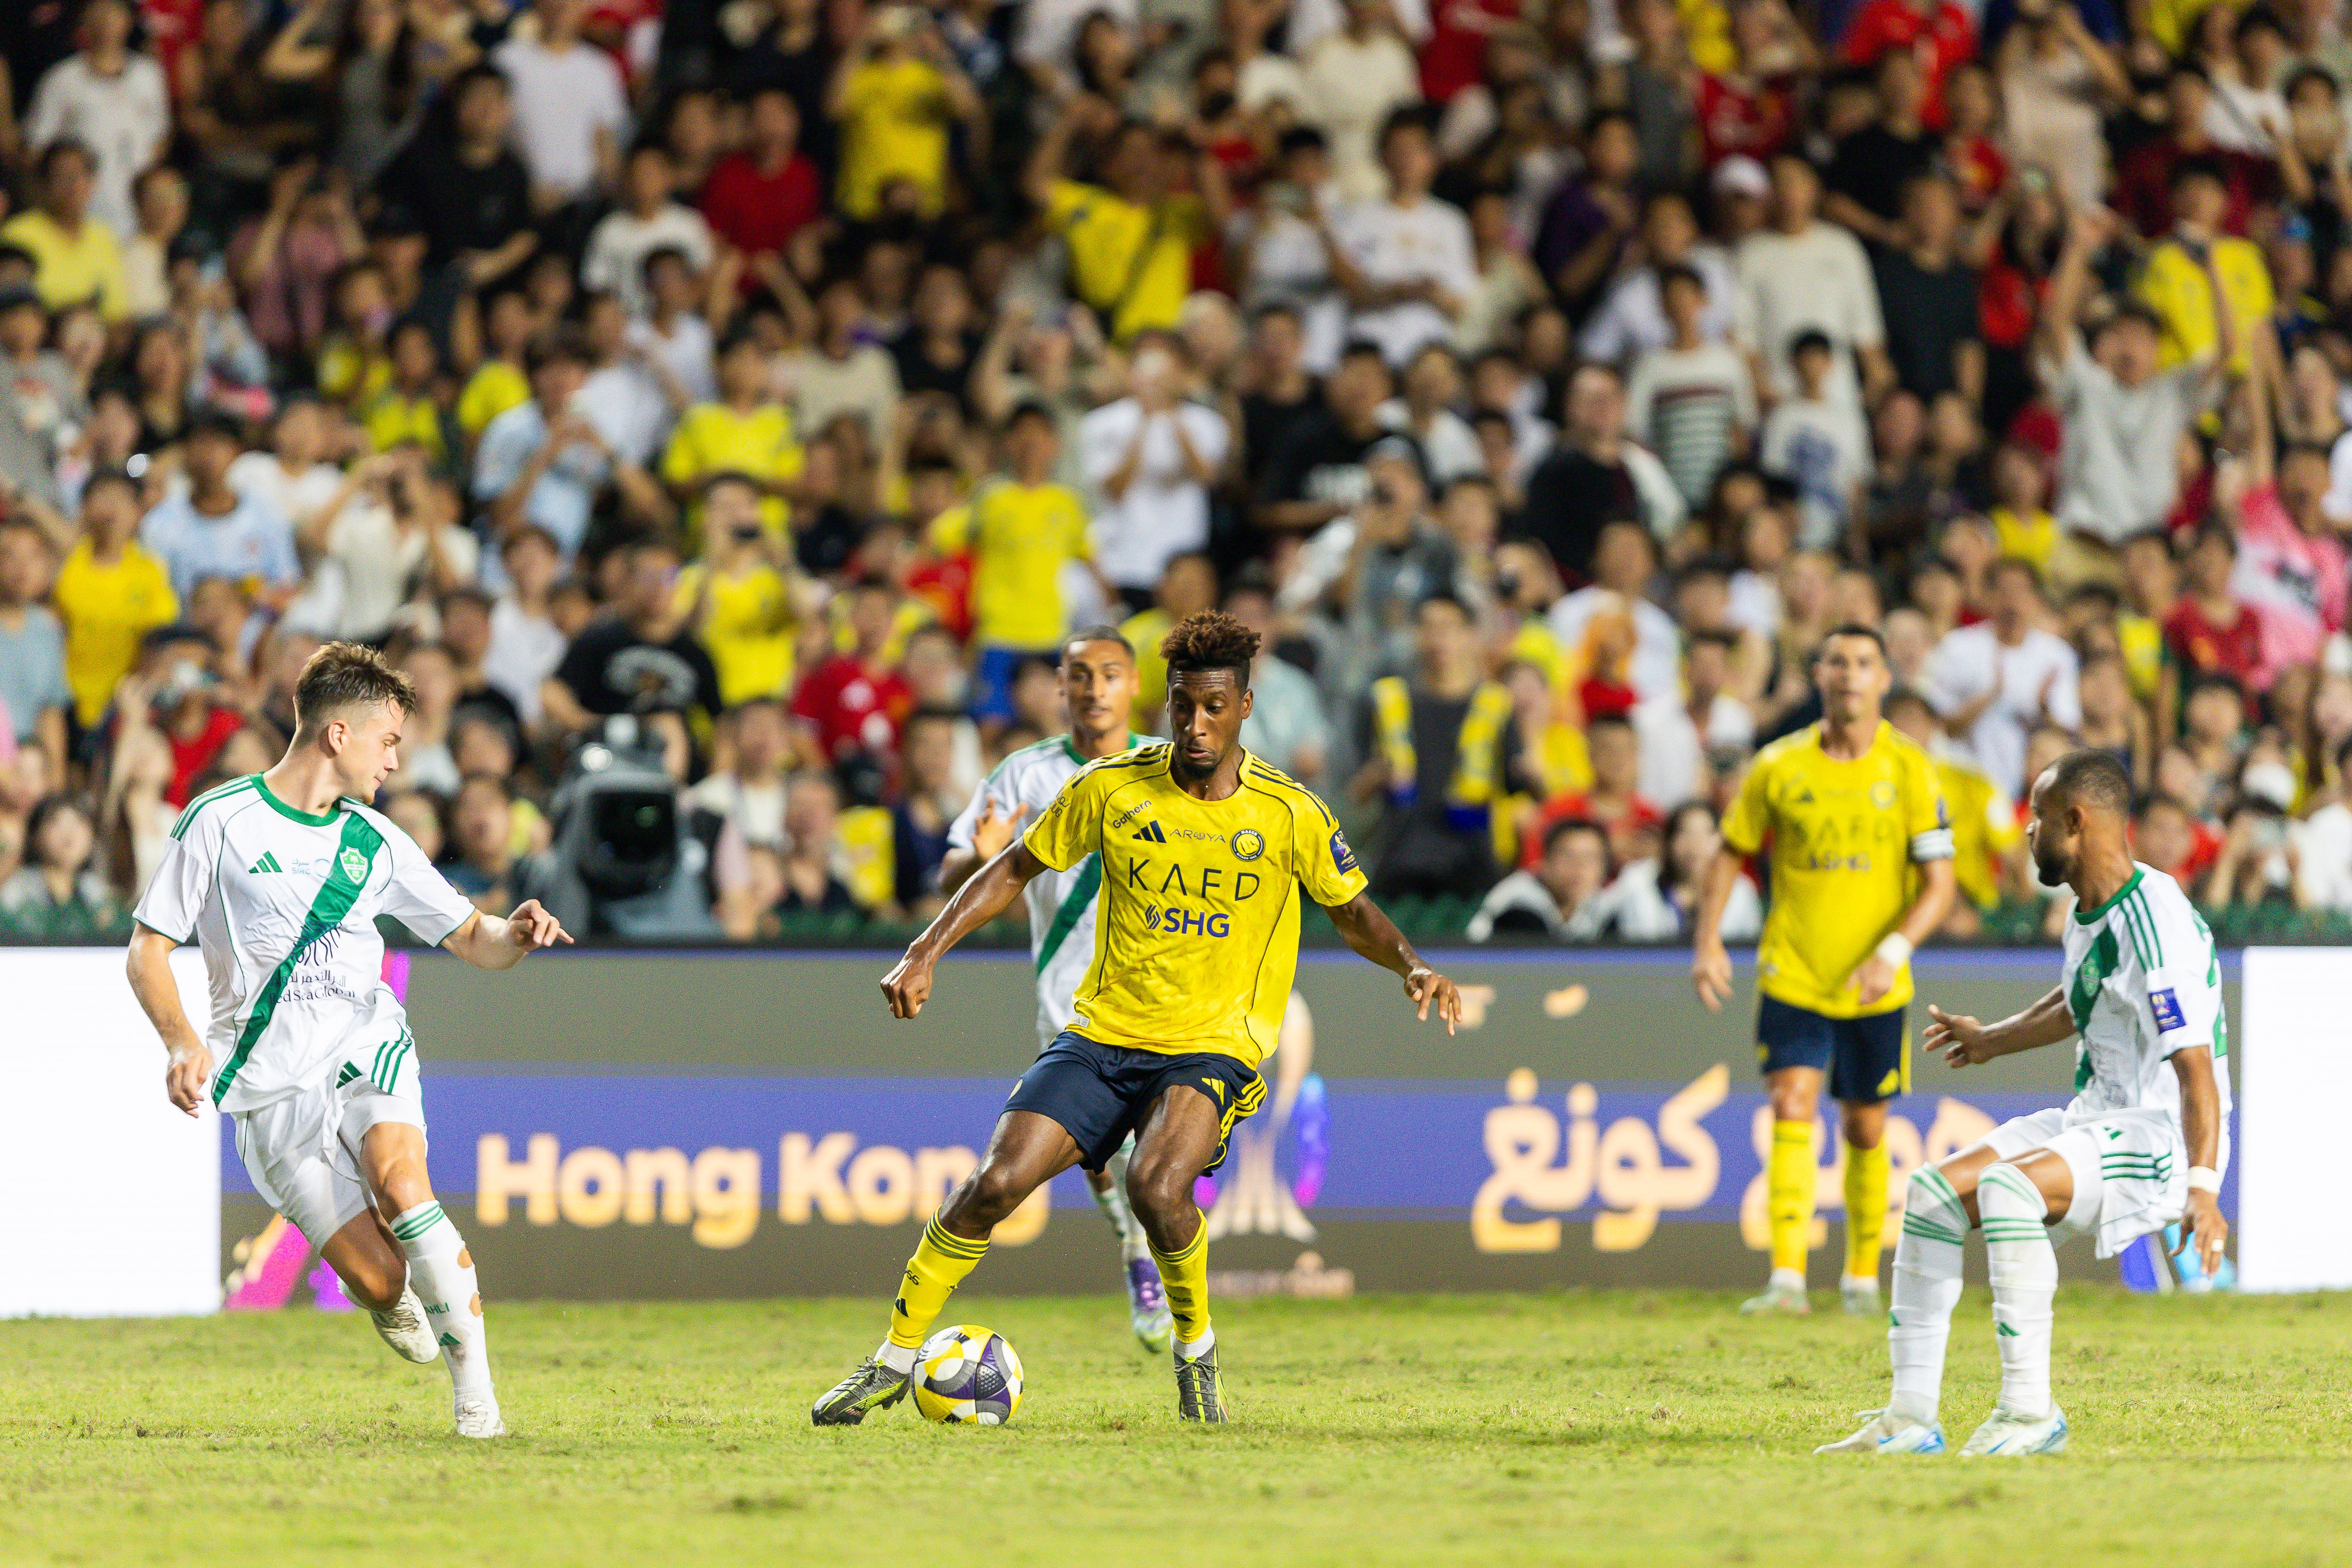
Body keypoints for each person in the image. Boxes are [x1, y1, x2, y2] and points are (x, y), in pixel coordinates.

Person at [812, 610, 1463, 1425]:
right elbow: (1013, 868)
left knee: (1156, 1184)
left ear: (1246, 707)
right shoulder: (1113, 787)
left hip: (1212, 1046)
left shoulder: (1288, 812)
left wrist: (1413, 963)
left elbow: (1353, 910)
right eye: (1183, 706)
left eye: (1215, 708)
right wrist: (925, 948)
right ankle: (891, 1359)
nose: (1196, 724)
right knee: (993, 1184)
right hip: (1102, 1034)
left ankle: (1195, 1353)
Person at [124, 642, 571, 1440]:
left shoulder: (379, 841)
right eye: (388, 739)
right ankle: (397, 1297)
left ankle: (480, 1407)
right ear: (338, 734)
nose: (396, 759)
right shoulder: (220, 823)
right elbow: (148, 949)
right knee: (377, 1277)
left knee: (403, 1183)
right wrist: (181, 1041)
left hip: (365, 1039)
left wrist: (519, 931)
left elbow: (474, 936)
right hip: (267, 1084)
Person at [1820, 748, 2229, 1457]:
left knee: (2007, 1191)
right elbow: (2078, 1001)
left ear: (2075, 822)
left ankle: (2029, 1411)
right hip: (2090, 1119)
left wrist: (2204, 1187)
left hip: (2155, 1135)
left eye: (2036, 820)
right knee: (1932, 1194)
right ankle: (1910, 1416)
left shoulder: (2156, 925)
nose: (2026, 835)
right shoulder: (2090, 907)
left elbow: (2197, 1069)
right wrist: (1991, 1042)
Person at [1693, 623, 1957, 1317]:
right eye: (1836, 660)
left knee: (1866, 1128)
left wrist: (1891, 952)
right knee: (1791, 1104)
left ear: (1883, 679)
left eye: (1864, 662)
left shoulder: (1910, 769)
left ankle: (1862, 1279)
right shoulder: (1779, 766)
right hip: (1795, 973)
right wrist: (1709, 940)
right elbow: (1729, 852)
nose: (1849, 674)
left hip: (1875, 984)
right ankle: (1785, 1278)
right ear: (1818, 675)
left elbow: (1941, 885)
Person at [938, 625, 1172, 1353]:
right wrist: (978, 858)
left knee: (1156, 1148)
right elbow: (955, 876)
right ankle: (1138, 1249)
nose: (1094, 687)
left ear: (1134, 685)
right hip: (1067, 989)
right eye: (1079, 675)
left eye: (1109, 673)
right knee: (1100, 1149)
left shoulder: (1168, 771)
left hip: (1162, 980)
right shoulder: (1024, 776)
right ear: (1059, 689)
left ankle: (1147, 1254)